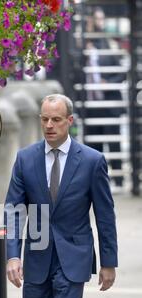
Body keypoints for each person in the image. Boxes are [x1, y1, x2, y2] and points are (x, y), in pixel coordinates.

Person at [4, 94, 118, 298]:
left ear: (70, 121)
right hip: (37, 255)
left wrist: (109, 261)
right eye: (44, 119)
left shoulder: (92, 160)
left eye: (56, 120)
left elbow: (105, 214)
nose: (49, 125)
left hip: (74, 255)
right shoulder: (25, 159)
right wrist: (13, 254)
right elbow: (13, 210)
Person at [84, 7, 126, 187]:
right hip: (91, 106)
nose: (100, 23)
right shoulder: (83, 46)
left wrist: (107, 82)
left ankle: (119, 179)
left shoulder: (110, 44)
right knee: (94, 149)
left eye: (102, 19)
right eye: (96, 19)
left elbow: (122, 73)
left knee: (113, 143)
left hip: (109, 104)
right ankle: (98, 181)